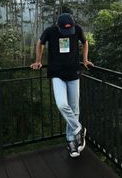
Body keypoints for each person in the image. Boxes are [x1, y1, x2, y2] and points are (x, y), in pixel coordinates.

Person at [30, 13, 94, 158]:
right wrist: (38, 60)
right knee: (61, 104)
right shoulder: (50, 31)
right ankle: (78, 128)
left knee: (74, 108)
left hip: (73, 73)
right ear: (58, 26)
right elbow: (39, 43)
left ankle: (72, 142)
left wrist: (85, 60)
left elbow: (85, 42)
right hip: (57, 74)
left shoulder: (77, 29)